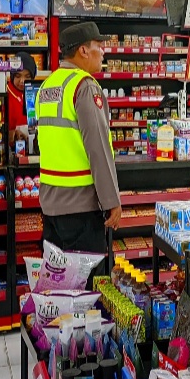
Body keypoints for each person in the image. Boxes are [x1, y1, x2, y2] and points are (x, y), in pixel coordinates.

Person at [36, 22, 121, 257]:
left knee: (58, 276)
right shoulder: (84, 87)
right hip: (81, 208)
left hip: (51, 206)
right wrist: (111, 201)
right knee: (87, 279)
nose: (102, 52)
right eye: (98, 46)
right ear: (83, 50)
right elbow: (98, 148)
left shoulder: (47, 86)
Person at [6, 52, 38, 151]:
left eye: (27, 76)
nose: (22, 81)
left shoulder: (38, 92)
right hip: (12, 151)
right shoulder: (5, 94)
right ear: (12, 75)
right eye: (18, 76)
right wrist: (12, 135)